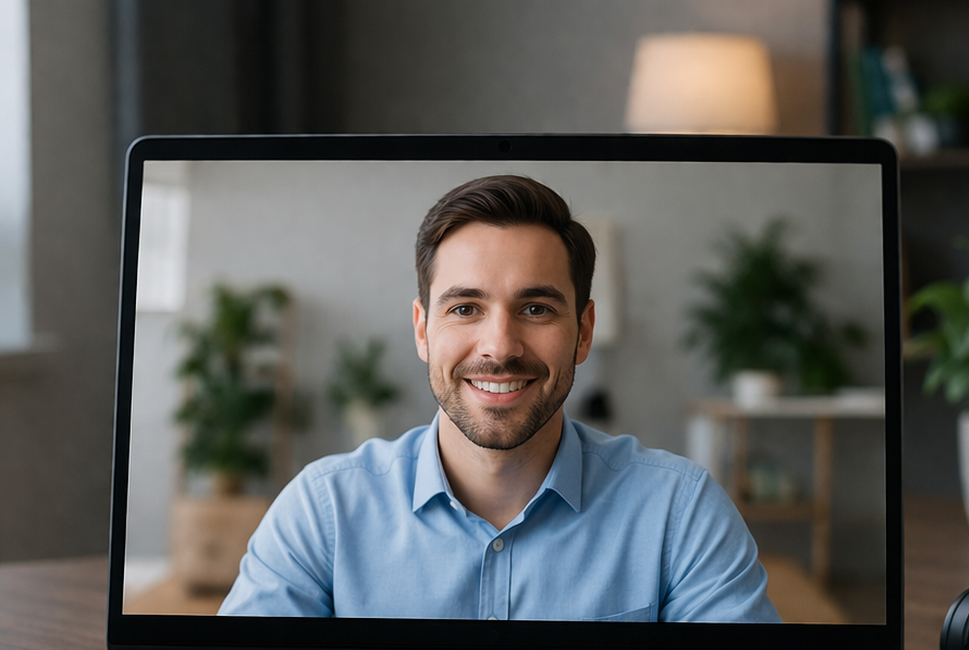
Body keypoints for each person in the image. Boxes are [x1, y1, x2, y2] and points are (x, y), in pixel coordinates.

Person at [219, 175, 778, 622]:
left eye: (536, 309)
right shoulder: (324, 512)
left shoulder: (680, 512)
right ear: (422, 330)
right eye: (465, 308)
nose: (500, 347)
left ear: (583, 332)